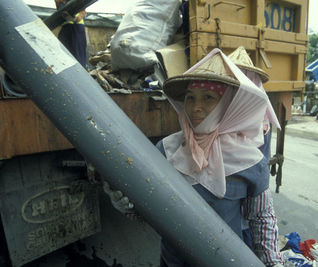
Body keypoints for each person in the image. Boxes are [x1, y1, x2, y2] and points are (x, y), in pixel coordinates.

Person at [102, 48, 284, 266]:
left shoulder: (250, 160)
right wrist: (127, 205)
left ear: (228, 104)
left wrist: (273, 262)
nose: (196, 107)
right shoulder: (167, 149)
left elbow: (261, 219)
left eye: (208, 98)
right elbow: (149, 211)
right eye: (190, 98)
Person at [55, 0, 87, 68]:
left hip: (76, 27)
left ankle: (81, 73)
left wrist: (77, 19)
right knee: (64, 52)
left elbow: (83, 11)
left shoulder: (74, 2)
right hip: (65, 27)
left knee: (77, 54)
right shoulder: (60, 3)